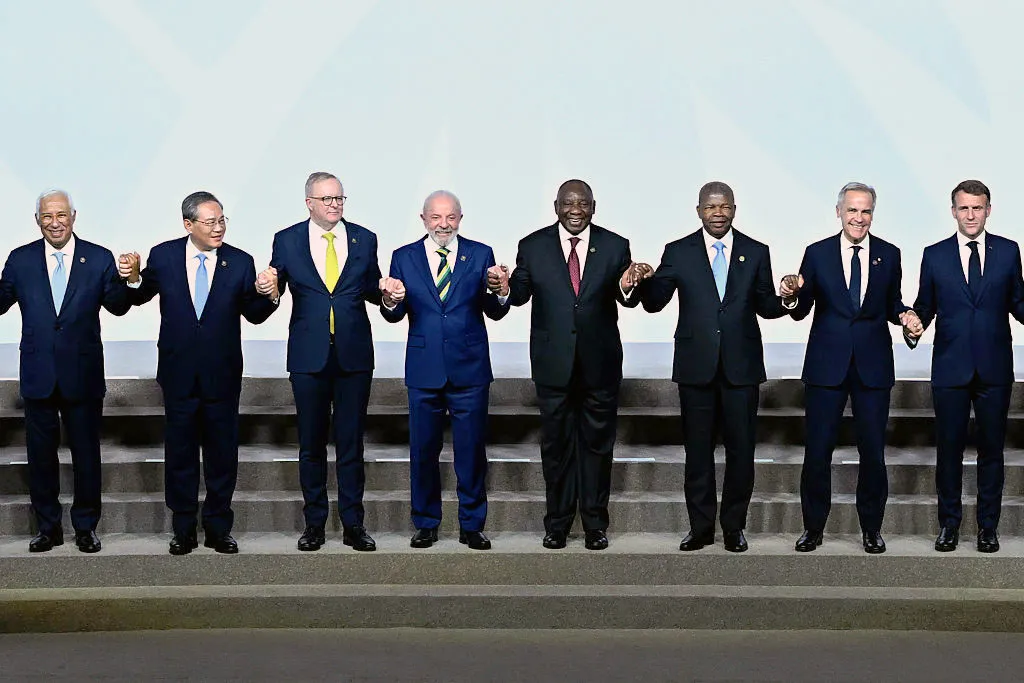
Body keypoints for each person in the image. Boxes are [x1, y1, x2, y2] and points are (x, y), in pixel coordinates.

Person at [118, 191, 278, 555]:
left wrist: (270, 294)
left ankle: (219, 527)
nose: (218, 228)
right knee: (181, 452)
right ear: (188, 224)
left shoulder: (239, 261)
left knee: (222, 454)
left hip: (222, 374)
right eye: (210, 222)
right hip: (178, 374)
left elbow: (252, 312)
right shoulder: (165, 255)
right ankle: (183, 528)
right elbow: (140, 296)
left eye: (222, 220)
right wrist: (132, 277)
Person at [637, 181, 788, 553]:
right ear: (699, 210)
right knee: (698, 452)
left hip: (741, 367)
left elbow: (766, 305)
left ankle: (734, 528)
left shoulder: (755, 251)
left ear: (734, 209)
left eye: (724, 207)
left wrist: (788, 297)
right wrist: (641, 282)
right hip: (695, 367)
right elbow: (655, 302)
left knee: (741, 453)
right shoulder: (679, 251)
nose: (717, 213)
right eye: (710, 207)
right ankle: (701, 528)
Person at [500, 178, 650, 551]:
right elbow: (518, 295)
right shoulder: (532, 246)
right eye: (568, 203)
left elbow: (625, 298)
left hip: (599, 365)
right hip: (553, 367)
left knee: (598, 448)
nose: (576, 210)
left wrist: (629, 284)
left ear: (593, 207)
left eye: (583, 203)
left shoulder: (615, 246)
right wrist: (502, 286)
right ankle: (558, 525)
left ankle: (596, 525)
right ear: (556, 206)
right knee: (557, 449)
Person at [780, 182, 918, 554]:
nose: (859, 218)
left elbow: (892, 303)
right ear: (839, 212)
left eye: (866, 211)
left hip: (872, 366)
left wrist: (904, 315)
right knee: (818, 451)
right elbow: (802, 307)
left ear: (873, 213)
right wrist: (791, 294)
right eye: (853, 210)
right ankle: (813, 529)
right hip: (827, 366)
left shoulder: (889, 254)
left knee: (872, 452)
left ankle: (871, 529)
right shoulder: (818, 253)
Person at [0, 189, 131, 552]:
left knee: (86, 455)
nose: (54, 223)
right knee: (40, 458)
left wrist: (130, 278)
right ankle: (48, 528)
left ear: (73, 216)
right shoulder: (21, 259)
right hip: (39, 374)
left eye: (60, 215)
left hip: (83, 374)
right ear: (37, 220)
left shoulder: (99, 257)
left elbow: (119, 307)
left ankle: (86, 527)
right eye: (47, 216)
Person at [379, 190, 509, 550]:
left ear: (460, 219)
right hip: (424, 369)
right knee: (423, 451)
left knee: (471, 451)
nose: (443, 224)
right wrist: (390, 299)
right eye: (436, 217)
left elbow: (494, 310)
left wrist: (502, 291)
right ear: (423, 219)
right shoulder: (403, 257)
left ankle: (472, 524)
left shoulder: (481, 254)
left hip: (470, 369)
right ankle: (425, 522)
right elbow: (393, 313)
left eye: (450, 217)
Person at [265, 172, 384, 552]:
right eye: (327, 199)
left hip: (353, 355)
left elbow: (370, 288)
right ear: (309, 203)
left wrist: (389, 294)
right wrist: (268, 290)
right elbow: (275, 287)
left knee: (351, 444)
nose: (335, 205)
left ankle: (353, 525)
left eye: (340, 198)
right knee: (311, 445)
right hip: (308, 355)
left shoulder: (364, 238)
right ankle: (314, 524)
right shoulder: (287, 240)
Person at [908, 179, 1024, 554]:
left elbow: (1018, 303)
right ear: (953, 210)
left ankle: (988, 528)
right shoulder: (935, 254)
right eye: (964, 208)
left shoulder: (1008, 252)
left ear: (988, 209)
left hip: (994, 369)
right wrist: (914, 324)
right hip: (950, 369)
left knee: (992, 451)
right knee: (949, 452)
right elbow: (925, 305)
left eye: (977, 208)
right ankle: (949, 526)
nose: (970, 215)